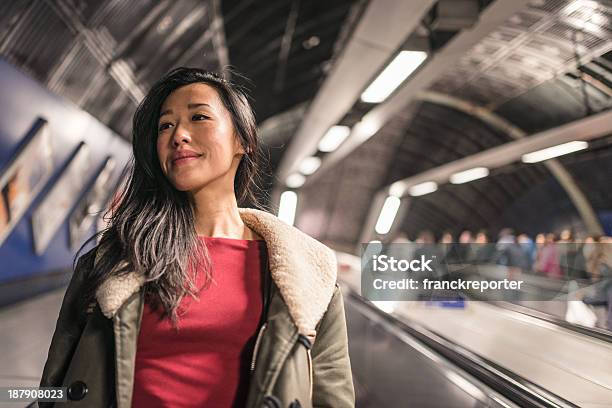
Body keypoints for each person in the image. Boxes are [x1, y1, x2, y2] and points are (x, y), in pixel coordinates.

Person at [37, 68, 354, 408]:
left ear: (243, 141)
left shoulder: (308, 276)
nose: (179, 136)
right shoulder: (115, 259)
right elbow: (53, 387)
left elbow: (331, 397)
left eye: (199, 117)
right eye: (165, 125)